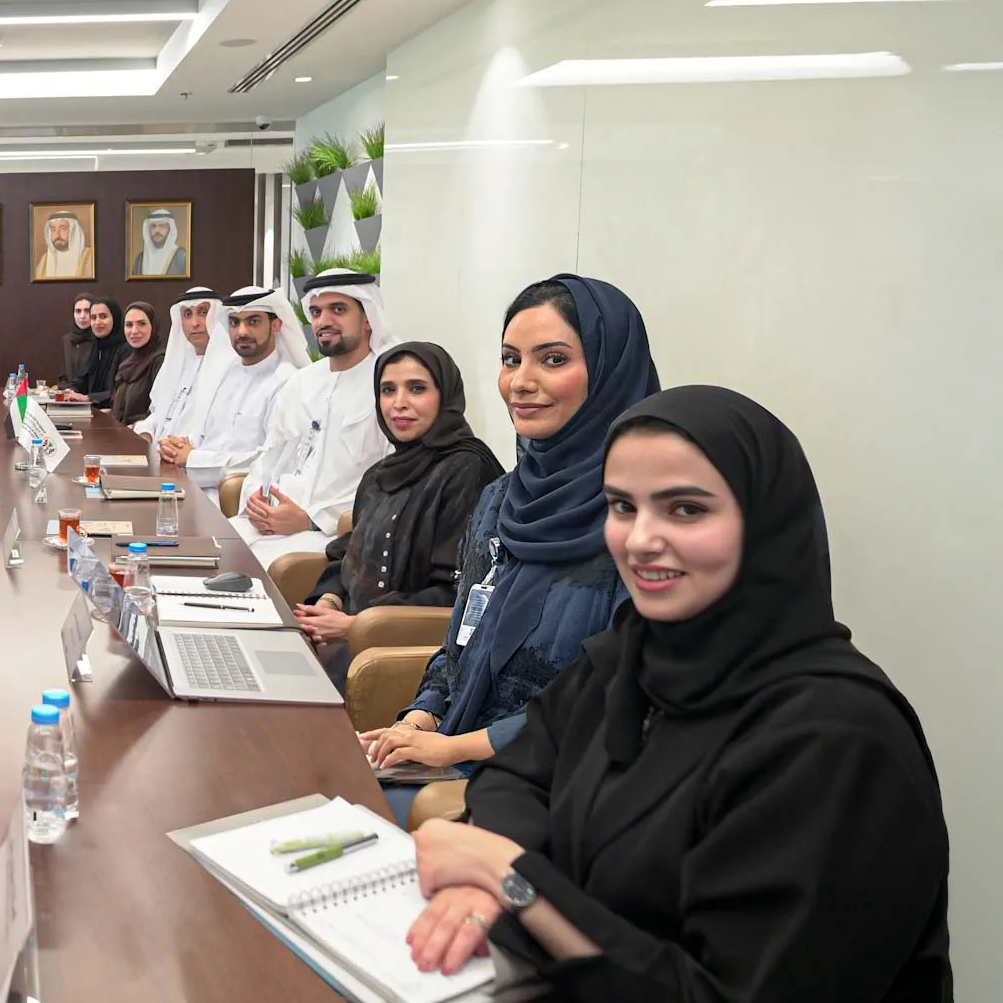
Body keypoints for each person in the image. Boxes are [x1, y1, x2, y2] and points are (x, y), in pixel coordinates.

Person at [405, 386, 951, 1001]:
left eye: (685, 510)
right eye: (621, 506)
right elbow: (517, 777)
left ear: (766, 523)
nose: (639, 540)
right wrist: (492, 882)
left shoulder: (835, 739)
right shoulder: (631, 657)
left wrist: (513, 883)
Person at [359, 276, 658, 824]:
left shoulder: (640, 520)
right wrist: (419, 719)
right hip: (456, 755)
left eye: (552, 359)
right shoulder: (502, 501)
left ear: (612, 371)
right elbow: (460, 644)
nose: (522, 382)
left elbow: (621, 698)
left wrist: (456, 749)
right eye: (510, 359)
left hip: (562, 786)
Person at [292, 342, 505, 685]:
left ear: (445, 395)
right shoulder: (379, 475)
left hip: (411, 659)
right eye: (387, 390)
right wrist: (330, 601)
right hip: (350, 639)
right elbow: (350, 553)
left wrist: (359, 625)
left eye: (417, 389)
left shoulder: (467, 470)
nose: (399, 403)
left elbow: (462, 590)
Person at [229, 269, 400, 567]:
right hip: (270, 522)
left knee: (255, 571)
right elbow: (270, 454)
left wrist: (311, 519)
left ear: (368, 317)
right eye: (317, 312)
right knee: (210, 545)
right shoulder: (302, 382)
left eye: (338, 309)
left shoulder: (389, 386)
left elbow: (394, 483)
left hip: (330, 536)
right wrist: (258, 497)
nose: (323, 321)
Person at [159, 285, 304, 473]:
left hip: (236, 497)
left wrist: (194, 458)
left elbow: (269, 460)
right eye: (234, 323)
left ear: (276, 326)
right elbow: (203, 436)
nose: (242, 332)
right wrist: (176, 447)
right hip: (193, 482)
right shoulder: (226, 371)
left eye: (253, 321)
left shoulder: (286, 381)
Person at [135, 286, 216, 441]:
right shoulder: (176, 363)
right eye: (187, 314)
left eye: (203, 312)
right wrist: (146, 431)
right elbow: (160, 415)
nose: (194, 323)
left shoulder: (228, 369)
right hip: (159, 455)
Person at [106, 301, 166, 426]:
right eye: (129, 325)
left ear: (153, 326)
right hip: (121, 437)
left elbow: (160, 412)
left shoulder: (160, 361)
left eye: (142, 324)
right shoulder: (127, 364)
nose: (134, 331)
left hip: (143, 440)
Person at [63, 296, 126, 407]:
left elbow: (120, 391)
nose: (97, 322)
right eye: (93, 317)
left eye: (103, 316)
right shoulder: (97, 345)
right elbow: (83, 378)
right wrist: (70, 391)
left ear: (115, 318)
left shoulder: (126, 349)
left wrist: (88, 398)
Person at [34, 210, 94, 279]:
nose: (57, 235)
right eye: (53, 229)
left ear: (73, 231)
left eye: (63, 228)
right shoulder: (45, 259)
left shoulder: (89, 257)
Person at [132, 207, 188, 276]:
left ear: (170, 229)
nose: (157, 230)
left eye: (162, 226)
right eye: (153, 226)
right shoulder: (140, 259)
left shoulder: (181, 256)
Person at [60, 292, 96, 384]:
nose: (82, 316)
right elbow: (63, 376)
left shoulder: (99, 339)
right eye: (78, 311)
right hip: (68, 394)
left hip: (90, 396)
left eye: (87, 311)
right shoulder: (67, 340)